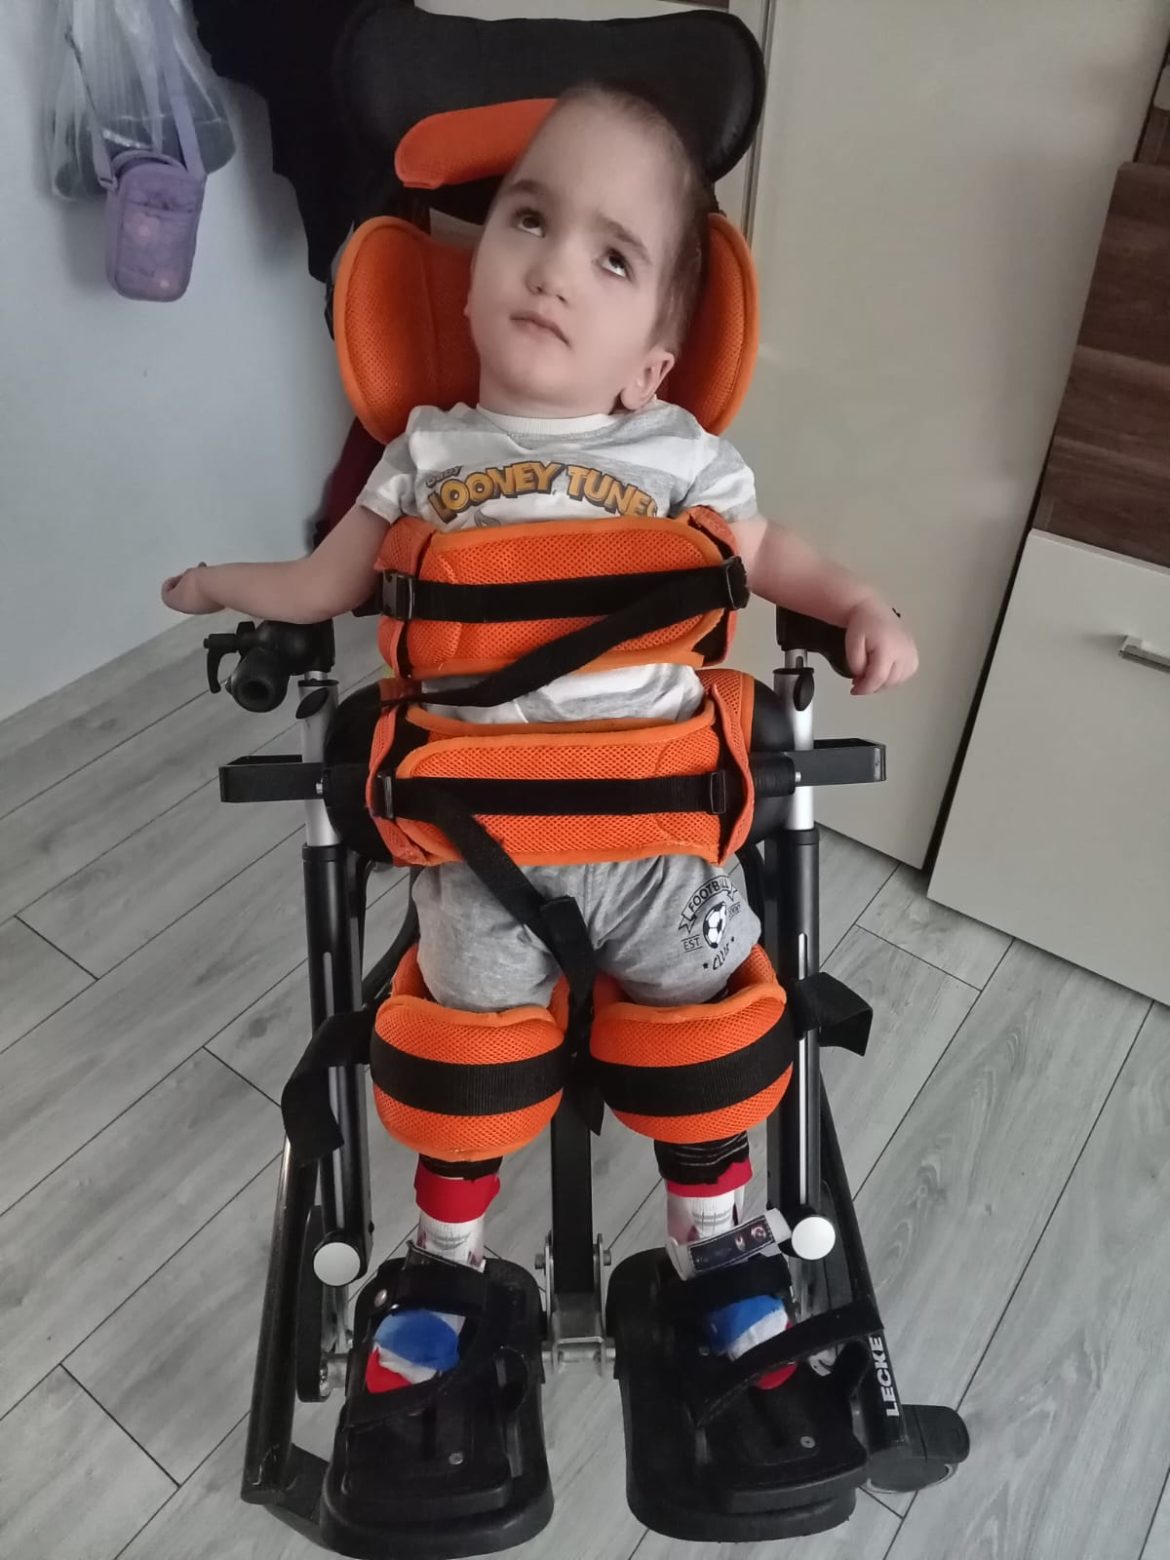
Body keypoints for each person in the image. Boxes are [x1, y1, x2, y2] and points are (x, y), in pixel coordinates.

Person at [163, 81, 917, 1399]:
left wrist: (857, 602)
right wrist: (224, 581)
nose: (555, 265)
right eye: (526, 220)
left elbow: (772, 556)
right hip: (481, 847)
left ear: (651, 364)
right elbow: (328, 582)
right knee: (463, 1058)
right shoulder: (423, 454)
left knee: (704, 1042)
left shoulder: (682, 457)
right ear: (461, 292)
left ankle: (717, 1248)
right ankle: (445, 1263)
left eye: (612, 256)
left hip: (659, 835)